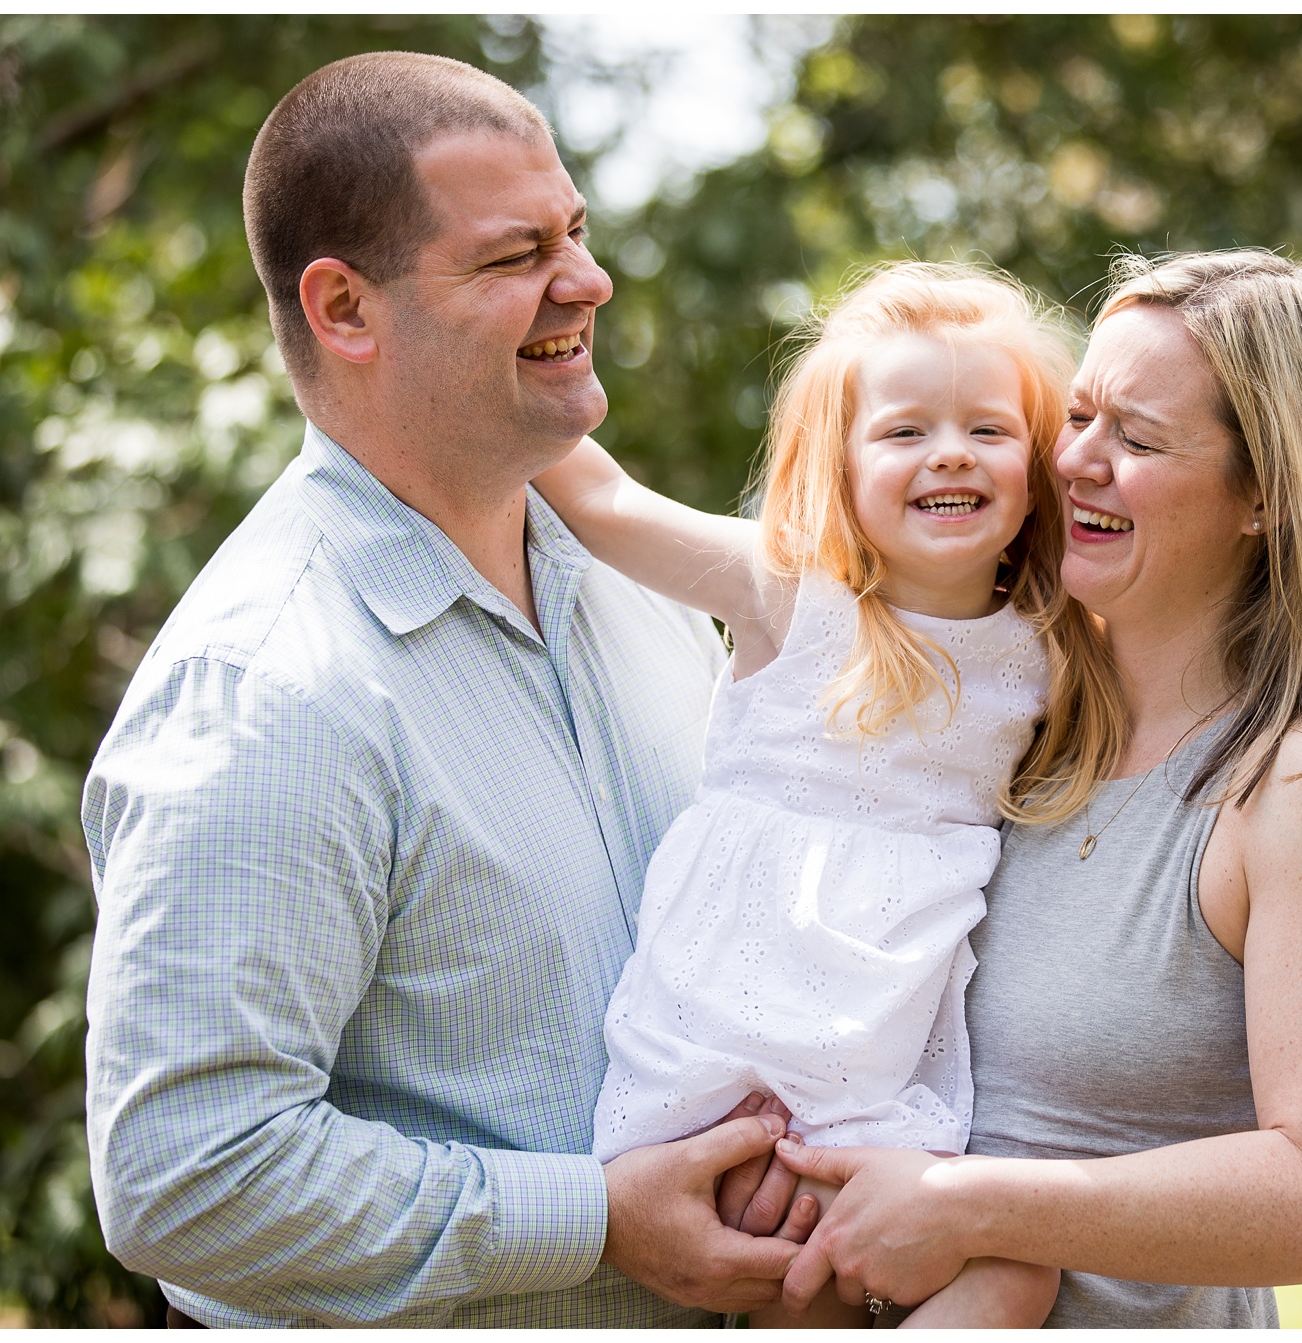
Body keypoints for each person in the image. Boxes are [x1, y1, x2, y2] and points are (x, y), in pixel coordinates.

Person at [80, 52, 811, 1327]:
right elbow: (186, 1174)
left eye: (574, 230)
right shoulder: (269, 689)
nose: (586, 281)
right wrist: (598, 1218)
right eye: (512, 255)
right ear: (344, 309)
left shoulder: (639, 584)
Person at [769, 249, 1302, 1327]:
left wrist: (966, 1206)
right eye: (1076, 415)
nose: (1077, 459)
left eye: (1134, 437)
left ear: (1265, 492)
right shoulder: (996, 720)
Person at [530, 262, 1123, 1327]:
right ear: (836, 466)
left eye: (987, 430)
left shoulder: (1047, 649)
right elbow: (606, 502)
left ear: (1036, 471)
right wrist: (514, 367)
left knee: (1004, 1268)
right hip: (722, 1046)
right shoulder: (786, 593)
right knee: (812, 1273)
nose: (948, 450)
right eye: (902, 431)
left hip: (876, 1049)